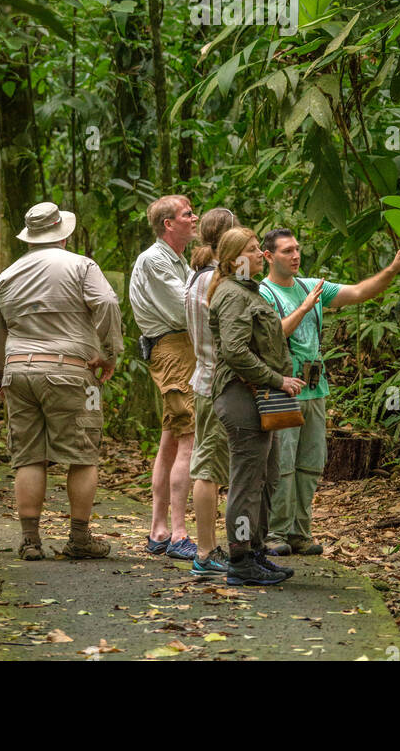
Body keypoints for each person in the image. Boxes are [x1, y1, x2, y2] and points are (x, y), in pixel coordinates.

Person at [260, 228, 400, 557]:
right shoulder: (263, 293)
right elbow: (273, 336)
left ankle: (300, 532)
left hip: (315, 389)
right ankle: (274, 533)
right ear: (268, 257)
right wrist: (303, 308)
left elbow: (360, 292)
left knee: (311, 463)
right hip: (283, 389)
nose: (295, 255)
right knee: (283, 465)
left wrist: (393, 268)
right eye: (287, 251)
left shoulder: (311, 285)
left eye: (297, 249)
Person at [0, 200, 123, 561]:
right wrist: (109, 352)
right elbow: (107, 302)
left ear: (30, 238)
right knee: (82, 453)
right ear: (62, 234)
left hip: (19, 370)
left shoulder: (7, 275)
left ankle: (30, 541)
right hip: (68, 370)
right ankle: (79, 539)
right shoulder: (81, 266)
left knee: (28, 455)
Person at [208, 226, 304, 587]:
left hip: (261, 399)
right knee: (247, 481)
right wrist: (278, 380)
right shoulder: (234, 294)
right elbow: (234, 350)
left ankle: (256, 550)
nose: (258, 254)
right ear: (236, 261)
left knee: (266, 477)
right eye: (252, 249)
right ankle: (239, 559)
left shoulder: (249, 291)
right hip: (240, 397)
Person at [128, 194, 200, 559]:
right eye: (188, 214)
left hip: (180, 347)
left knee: (172, 437)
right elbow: (184, 306)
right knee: (189, 435)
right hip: (172, 348)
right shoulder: (155, 260)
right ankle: (178, 534)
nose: (195, 217)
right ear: (168, 224)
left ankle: (159, 530)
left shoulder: (176, 259)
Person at [183, 207, 236, 578]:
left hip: (204, 377)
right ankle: (204, 551)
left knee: (213, 465)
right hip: (217, 380)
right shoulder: (213, 279)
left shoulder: (195, 276)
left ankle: (214, 546)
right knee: (209, 468)